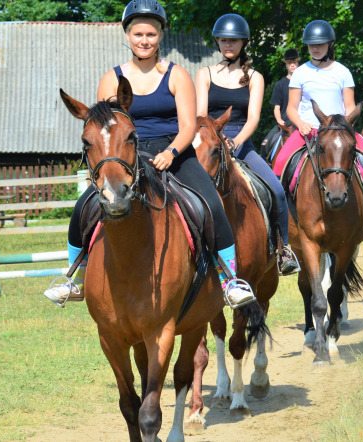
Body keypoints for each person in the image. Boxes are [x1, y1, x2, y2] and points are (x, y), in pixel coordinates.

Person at [43, 0, 254, 307]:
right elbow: (106, 127)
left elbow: (187, 126)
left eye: (151, 34)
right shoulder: (111, 78)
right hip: (127, 157)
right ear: (127, 35)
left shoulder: (177, 75)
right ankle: (76, 277)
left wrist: (170, 152)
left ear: (161, 36)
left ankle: (229, 280)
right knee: (82, 207)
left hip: (176, 154)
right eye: (138, 34)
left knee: (211, 204)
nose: (144, 40)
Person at [271, 20, 363, 235]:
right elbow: (291, 109)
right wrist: (301, 124)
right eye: (311, 45)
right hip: (308, 130)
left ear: (330, 44)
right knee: (279, 163)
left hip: (339, 132)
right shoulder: (300, 73)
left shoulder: (342, 72)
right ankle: (277, 220)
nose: (315, 48)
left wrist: (343, 127)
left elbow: (350, 107)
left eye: (320, 44)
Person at [195, 13, 300, 275]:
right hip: (209, 142)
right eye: (223, 40)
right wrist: (216, 140)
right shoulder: (204, 74)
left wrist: (236, 141)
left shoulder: (254, 77)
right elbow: (200, 116)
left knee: (276, 189)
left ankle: (283, 249)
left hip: (241, 143)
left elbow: (253, 118)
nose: (228, 45)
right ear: (217, 42)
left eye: (233, 40)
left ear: (244, 43)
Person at [260, 48, 300, 162]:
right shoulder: (280, 84)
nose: (292, 64)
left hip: (302, 124)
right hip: (284, 124)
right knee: (264, 145)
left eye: (294, 62)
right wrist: (279, 121)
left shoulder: (305, 83)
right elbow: (277, 107)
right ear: (286, 64)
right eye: (289, 62)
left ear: (298, 62)